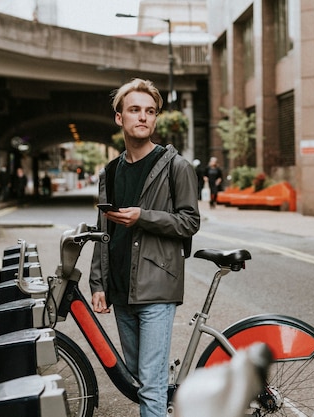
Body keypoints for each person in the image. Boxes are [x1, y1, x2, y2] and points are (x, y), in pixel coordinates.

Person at [89, 78, 200, 417]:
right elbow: (102, 230)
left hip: (157, 287)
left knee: (149, 389)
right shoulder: (110, 171)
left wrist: (143, 217)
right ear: (119, 118)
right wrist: (98, 283)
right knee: (141, 379)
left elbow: (189, 222)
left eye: (150, 111)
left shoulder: (175, 166)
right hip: (122, 290)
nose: (143, 117)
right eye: (135, 110)